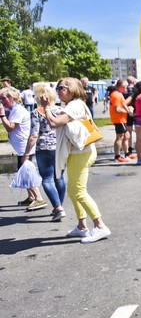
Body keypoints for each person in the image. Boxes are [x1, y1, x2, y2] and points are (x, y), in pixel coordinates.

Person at [39, 77, 111, 243]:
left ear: (71, 88)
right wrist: (49, 108)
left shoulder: (75, 105)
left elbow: (55, 122)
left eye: (62, 87)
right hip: (77, 152)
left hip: (81, 153)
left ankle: (100, 226)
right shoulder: (71, 105)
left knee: (78, 191)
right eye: (57, 87)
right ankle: (81, 226)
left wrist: (46, 107)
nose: (58, 90)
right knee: (73, 191)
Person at [0, 86, 47, 210]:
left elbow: (10, 127)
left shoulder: (18, 110)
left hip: (24, 147)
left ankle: (39, 198)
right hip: (22, 146)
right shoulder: (15, 109)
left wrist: (2, 115)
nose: (2, 102)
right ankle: (31, 197)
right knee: (23, 170)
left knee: (26, 172)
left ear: (12, 98)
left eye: (3, 99)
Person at [30, 84, 67, 220]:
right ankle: (59, 206)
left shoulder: (36, 112)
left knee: (47, 179)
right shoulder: (61, 110)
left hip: (44, 148)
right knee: (60, 178)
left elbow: (34, 135)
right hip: (60, 147)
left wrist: (27, 153)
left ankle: (58, 207)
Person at [108, 79, 131, 162]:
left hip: (122, 119)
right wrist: (128, 111)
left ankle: (127, 154)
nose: (126, 89)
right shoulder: (117, 95)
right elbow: (117, 109)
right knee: (120, 137)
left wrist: (127, 109)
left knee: (126, 136)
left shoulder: (117, 94)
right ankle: (117, 156)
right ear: (122, 87)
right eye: (125, 87)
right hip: (119, 119)